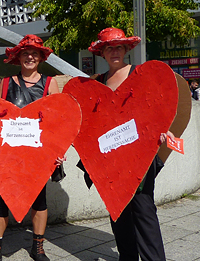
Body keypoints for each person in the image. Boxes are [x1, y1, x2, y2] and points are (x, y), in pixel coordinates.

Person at [87, 27, 173, 261]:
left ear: (126, 49)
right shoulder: (98, 82)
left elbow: (155, 110)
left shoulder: (139, 75)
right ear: (102, 53)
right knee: (118, 212)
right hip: (112, 160)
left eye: (118, 47)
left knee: (143, 210)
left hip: (141, 158)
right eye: (109, 48)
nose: (114, 52)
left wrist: (163, 131)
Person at [0, 34, 61, 261]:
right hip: (9, 153)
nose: (30, 57)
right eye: (26, 53)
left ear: (40, 58)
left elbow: (57, 122)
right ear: (19, 57)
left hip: (38, 154)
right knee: (1, 199)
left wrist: (58, 151)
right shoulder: (4, 83)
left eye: (35, 53)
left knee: (39, 199)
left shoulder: (50, 83)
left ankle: (38, 246)